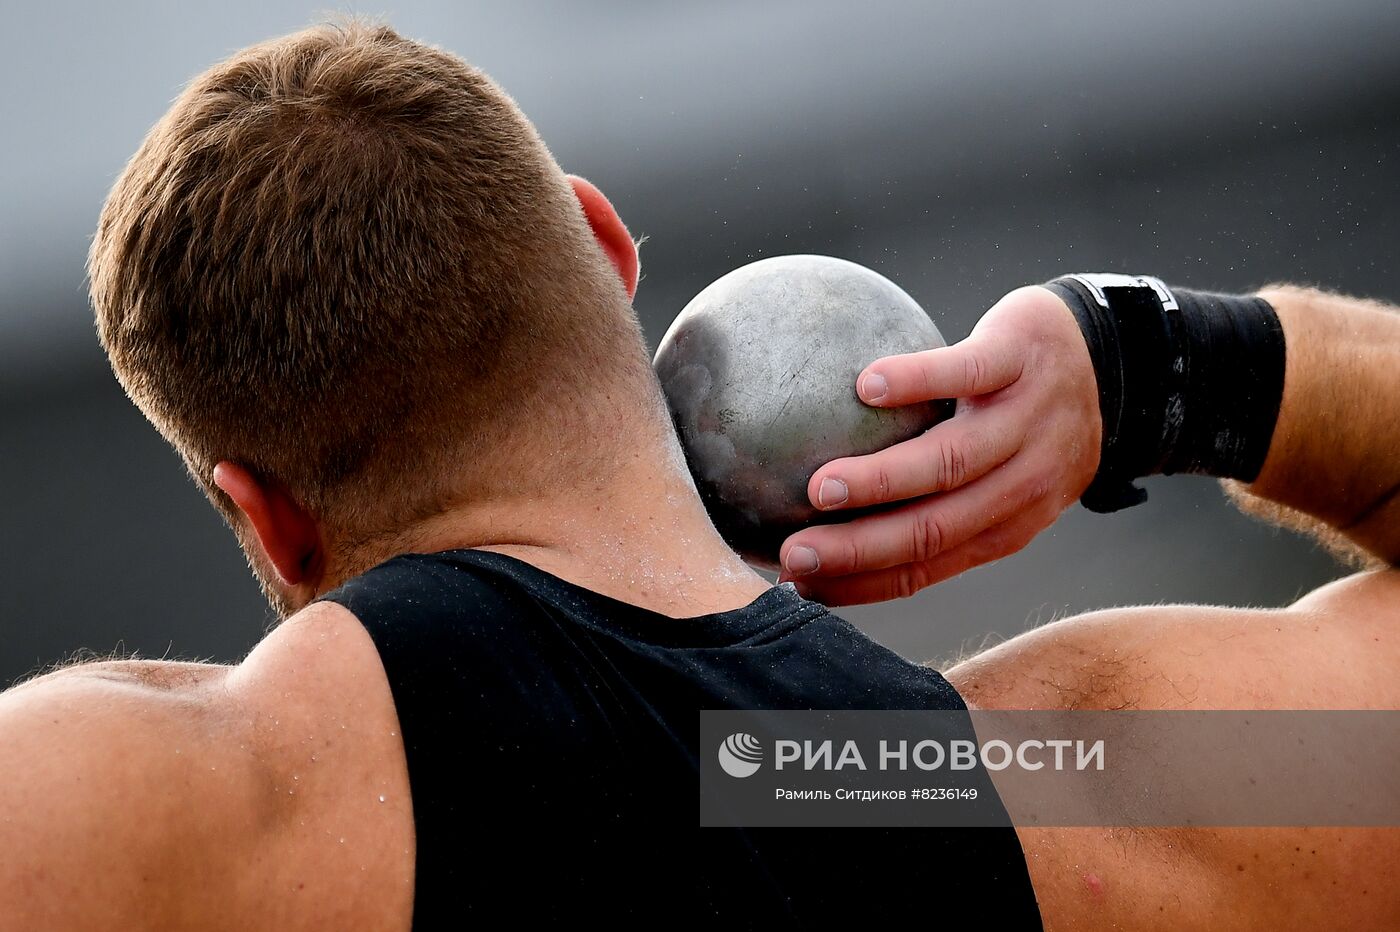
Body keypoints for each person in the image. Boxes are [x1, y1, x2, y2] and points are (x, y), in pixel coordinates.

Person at [2, 18, 1396, 931]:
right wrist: (1156, 370)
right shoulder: (1000, 784)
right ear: (608, 251)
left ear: (265, 514)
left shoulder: (158, 808)